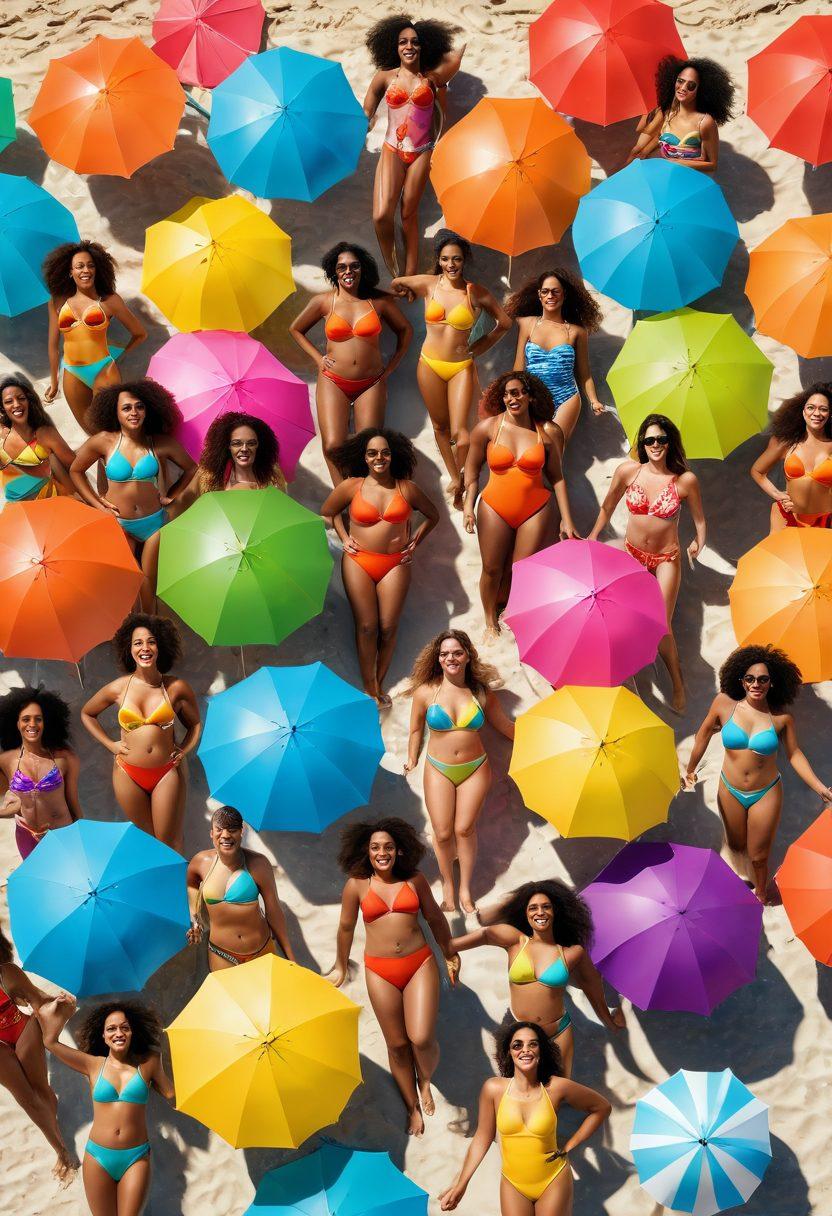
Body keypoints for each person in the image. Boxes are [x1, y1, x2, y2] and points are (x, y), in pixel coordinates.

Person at [328, 817, 459, 1136]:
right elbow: (346, 927)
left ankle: (425, 1080)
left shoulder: (414, 880)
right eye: (375, 847)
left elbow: (434, 917)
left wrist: (449, 952)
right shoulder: (356, 885)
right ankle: (413, 1106)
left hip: (418, 964)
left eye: (388, 846)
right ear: (366, 851)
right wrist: (341, 965)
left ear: (399, 850)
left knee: (422, 1038)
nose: (382, 852)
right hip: (379, 969)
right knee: (398, 1044)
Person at [684, 644, 832, 903]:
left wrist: (820, 788)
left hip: (766, 793)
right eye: (750, 678)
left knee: (759, 856)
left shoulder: (781, 719)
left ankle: (761, 892)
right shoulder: (723, 704)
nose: (756, 684)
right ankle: (745, 872)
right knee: (737, 844)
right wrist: (690, 769)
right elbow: (704, 734)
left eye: (763, 679)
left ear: (772, 683)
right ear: (740, 680)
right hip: (729, 788)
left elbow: (795, 754)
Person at [589, 414, 705, 714]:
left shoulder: (684, 480)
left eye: (661, 439)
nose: (655, 445)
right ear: (642, 443)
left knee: (661, 625)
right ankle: (629, 680)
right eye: (649, 439)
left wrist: (699, 541)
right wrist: (591, 536)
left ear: (670, 443)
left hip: (667, 557)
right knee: (621, 618)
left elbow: (700, 519)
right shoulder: (629, 471)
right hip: (632, 553)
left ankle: (678, 685)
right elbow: (608, 505)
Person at [449, 881, 625, 1077]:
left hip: (558, 1032)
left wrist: (609, 1021)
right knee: (518, 1092)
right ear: (525, 913)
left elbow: (591, 987)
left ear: (556, 911)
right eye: (533, 908)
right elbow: (473, 936)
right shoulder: (515, 940)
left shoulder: (573, 953)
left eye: (546, 907)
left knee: (556, 1094)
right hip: (517, 1028)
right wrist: (449, 953)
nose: (539, 912)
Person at [439, 1021, 611, 1215]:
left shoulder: (556, 1087)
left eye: (533, 1044)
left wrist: (571, 1144)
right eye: (517, 1045)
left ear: (541, 1050)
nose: (525, 1050)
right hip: (513, 1184)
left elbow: (601, 1107)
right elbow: (482, 1138)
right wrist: (462, 1184)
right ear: (509, 1052)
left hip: (553, 1179)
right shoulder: (494, 1089)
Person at [392, 230, 513, 507]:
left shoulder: (474, 292)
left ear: (464, 260)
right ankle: (456, 479)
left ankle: (460, 475)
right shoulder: (428, 285)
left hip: (460, 366)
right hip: (429, 364)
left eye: (456, 259)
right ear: (439, 260)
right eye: (445, 259)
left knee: (463, 434)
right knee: (440, 426)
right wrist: (405, 292)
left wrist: (481, 346)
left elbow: (504, 323)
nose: (451, 265)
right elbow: (397, 281)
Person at [321, 428, 438, 707]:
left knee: (387, 627)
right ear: (364, 457)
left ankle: (380, 680)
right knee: (367, 626)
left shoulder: (405, 487)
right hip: (358, 560)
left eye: (384, 452)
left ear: (392, 454)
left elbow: (432, 516)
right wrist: (345, 537)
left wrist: (413, 543)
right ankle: (370, 688)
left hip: (395, 563)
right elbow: (329, 512)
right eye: (372, 453)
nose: (379, 457)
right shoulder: (352, 486)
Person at [405, 630, 514, 913]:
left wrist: (536, 736)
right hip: (438, 768)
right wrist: (411, 758)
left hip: (475, 768)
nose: (450, 658)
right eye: (444, 654)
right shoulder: (426, 692)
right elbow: (416, 728)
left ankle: (465, 889)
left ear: (467, 656)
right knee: (442, 833)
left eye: (456, 653)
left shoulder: (480, 692)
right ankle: (447, 887)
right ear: (437, 659)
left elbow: (504, 726)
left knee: (464, 829)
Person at [464, 372, 579, 641]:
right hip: (494, 504)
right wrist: (469, 504)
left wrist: (567, 519)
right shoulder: (488, 428)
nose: (511, 399)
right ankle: (490, 620)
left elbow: (557, 478)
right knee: (491, 568)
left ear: (529, 395)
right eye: (506, 394)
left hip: (535, 507)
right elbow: (470, 470)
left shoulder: (548, 431)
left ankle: (513, 613)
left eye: (516, 393)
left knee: (522, 568)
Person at [38, 996, 175, 1216]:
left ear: (132, 1032)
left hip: (135, 1156)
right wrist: (59, 1010)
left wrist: (151, 1080)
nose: (118, 1033)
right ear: (103, 1035)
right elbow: (50, 1042)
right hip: (97, 1156)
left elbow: (170, 1092)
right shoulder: (93, 1065)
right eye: (111, 1029)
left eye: (124, 1028)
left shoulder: (149, 1061)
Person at [289, 243, 412, 484]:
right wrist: (318, 359)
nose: (348, 271)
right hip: (333, 381)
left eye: (354, 266)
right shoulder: (324, 302)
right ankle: (343, 494)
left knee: (369, 447)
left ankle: (364, 497)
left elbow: (405, 330)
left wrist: (390, 368)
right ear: (334, 271)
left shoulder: (379, 302)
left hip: (371, 383)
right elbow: (296, 329)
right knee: (333, 445)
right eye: (342, 267)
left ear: (362, 269)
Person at [70, 380, 197, 610]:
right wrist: (98, 504)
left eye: (140, 407)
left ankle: (151, 631)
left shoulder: (158, 443)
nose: (134, 412)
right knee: (125, 585)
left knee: (148, 585)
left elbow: (192, 468)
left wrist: (172, 495)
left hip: (154, 524)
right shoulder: (104, 441)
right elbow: (76, 470)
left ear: (148, 410)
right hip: (120, 523)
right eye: (126, 408)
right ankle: (131, 633)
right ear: (115, 412)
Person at [81, 614, 201, 854]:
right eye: (138, 643)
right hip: (127, 773)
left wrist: (183, 751)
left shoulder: (176, 687)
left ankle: (175, 889)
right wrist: (111, 745)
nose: (145, 648)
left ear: (160, 647)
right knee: (147, 842)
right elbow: (87, 714)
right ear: (129, 649)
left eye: (151, 641)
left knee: (167, 843)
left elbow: (195, 725)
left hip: (166, 771)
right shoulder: (119, 687)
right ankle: (155, 890)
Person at [363, 17, 464, 276]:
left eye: (415, 42)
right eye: (403, 42)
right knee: (381, 215)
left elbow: (458, 53)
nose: (409, 46)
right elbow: (367, 110)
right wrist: (366, 122)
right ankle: (393, 268)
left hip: (422, 151)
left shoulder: (431, 80)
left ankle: (408, 275)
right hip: (392, 149)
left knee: (409, 214)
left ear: (424, 46)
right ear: (394, 47)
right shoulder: (385, 77)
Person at [43, 240, 147, 432]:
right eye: (80, 266)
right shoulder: (57, 302)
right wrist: (54, 382)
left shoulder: (109, 300)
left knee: (110, 433)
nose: (86, 270)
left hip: (104, 371)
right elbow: (52, 346)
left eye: (91, 265)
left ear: (97, 269)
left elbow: (140, 334)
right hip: (72, 372)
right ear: (70, 271)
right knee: (93, 435)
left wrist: (119, 358)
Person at [0, 927, 77, 1186]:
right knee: (27, 1100)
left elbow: (39, 1001)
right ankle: (61, 1149)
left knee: (41, 1091)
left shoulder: (6, 972)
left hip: (21, 1029)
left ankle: (54, 1128)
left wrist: (61, 1004)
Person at [186, 806, 295, 969]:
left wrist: (290, 957)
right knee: (227, 995)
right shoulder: (200, 863)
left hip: (261, 950)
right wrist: (196, 920)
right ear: (211, 834)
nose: (225, 835)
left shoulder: (258, 863)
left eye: (232, 830)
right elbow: (192, 884)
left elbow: (274, 911)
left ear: (241, 832)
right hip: (221, 953)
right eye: (219, 830)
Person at [507, 270, 605, 445]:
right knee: (532, 450)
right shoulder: (526, 323)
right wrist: (511, 394)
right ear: (539, 295)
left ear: (564, 294)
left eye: (555, 291)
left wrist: (594, 400)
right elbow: (518, 369)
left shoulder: (576, 332)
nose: (550, 296)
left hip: (566, 397)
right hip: (533, 397)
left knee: (553, 448)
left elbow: (585, 374)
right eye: (545, 291)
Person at [0, 686, 82, 859]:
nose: (32, 724)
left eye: (38, 719)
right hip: (26, 836)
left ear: (47, 722)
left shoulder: (65, 758)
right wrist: (7, 807)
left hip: (61, 834)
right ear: (15, 723)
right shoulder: (6, 760)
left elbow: (74, 804)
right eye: (25, 719)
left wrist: (81, 839)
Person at [625, 56, 735, 173]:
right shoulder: (667, 114)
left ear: (701, 89)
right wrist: (644, 153)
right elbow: (647, 133)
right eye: (680, 81)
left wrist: (676, 162)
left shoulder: (705, 122)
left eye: (691, 85)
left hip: (689, 178)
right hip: (665, 172)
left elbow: (712, 164)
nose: (683, 88)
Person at [750, 383, 832, 530]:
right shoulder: (785, 443)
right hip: (787, 518)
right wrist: (778, 495)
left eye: (823, 409)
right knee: (776, 552)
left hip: (826, 522)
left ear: (830, 414)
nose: (817, 413)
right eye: (811, 407)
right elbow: (757, 471)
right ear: (803, 411)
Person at [0, 375, 75, 503]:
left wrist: (91, 501)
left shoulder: (45, 433)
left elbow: (76, 467)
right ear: (2, 408)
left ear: (29, 401)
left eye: (21, 398)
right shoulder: (2, 435)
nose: (16, 404)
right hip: (17, 509)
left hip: (50, 500)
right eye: (8, 401)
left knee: (54, 460)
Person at [195, 411, 286, 496]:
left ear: (259, 445)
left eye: (251, 443)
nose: (244, 449)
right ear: (228, 446)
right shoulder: (212, 480)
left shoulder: (273, 478)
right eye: (237, 443)